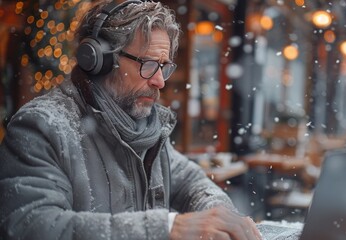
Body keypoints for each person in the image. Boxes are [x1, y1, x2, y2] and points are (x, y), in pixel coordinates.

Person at [0, 1, 262, 239]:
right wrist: (167, 228)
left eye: (164, 67)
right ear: (99, 60)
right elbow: (31, 225)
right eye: (148, 64)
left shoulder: (142, 127)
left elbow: (193, 182)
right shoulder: (41, 127)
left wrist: (222, 218)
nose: (159, 81)